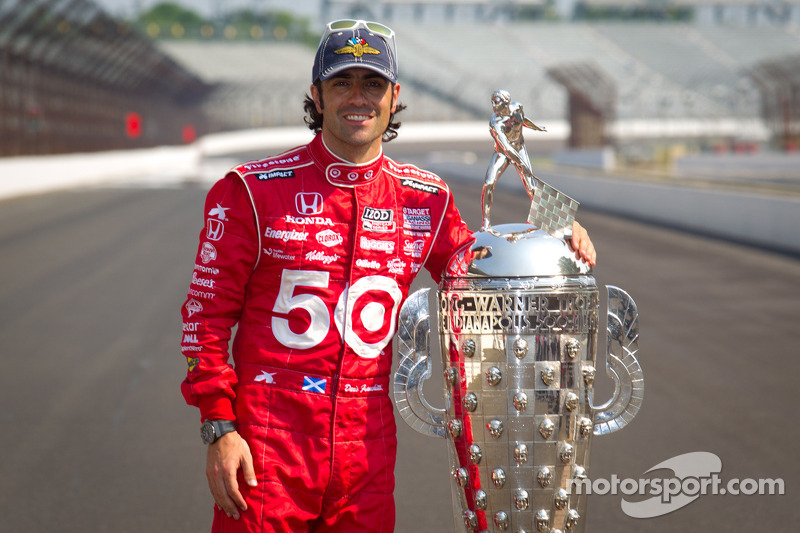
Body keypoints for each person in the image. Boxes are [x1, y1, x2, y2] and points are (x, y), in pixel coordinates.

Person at [180, 19, 597, 533]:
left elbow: (479, 273)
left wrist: (555, 226)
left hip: (366, 452)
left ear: (394, 96)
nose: (359, 98)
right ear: (317, 94)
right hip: (268, 444)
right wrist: (219, 427)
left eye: (373, 84)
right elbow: (205, 321)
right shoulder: (250, 190)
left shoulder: (426, 198)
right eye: (342, 83)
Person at [481, 89, 546, 232]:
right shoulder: (495, 123)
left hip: (519, 148)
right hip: (502, 153)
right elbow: (506, 148)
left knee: (531, 187)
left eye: (496, 101)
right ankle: (486, 222)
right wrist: (521, 164)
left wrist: (536, 128)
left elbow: (522, 119)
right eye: (492, 101)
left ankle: (542, 219)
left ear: (505, 102)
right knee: (489, 183)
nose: (493, 105)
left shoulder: (517, 107)